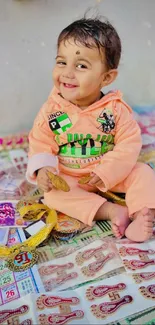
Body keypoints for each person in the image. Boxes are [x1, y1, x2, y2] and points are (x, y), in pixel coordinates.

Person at [26, 17, 155, 242]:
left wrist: (107, 171)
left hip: (110, 175)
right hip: (71, 177)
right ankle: (113, 211)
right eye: (61, 62)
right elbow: (40, 141)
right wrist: (44, 169)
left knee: (143, 173)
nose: (67, 73)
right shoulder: (52, 110)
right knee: (53, 195)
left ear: (106, 77)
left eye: (81, 66)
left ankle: (143, 216)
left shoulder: (115, 110)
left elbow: (128, 144)